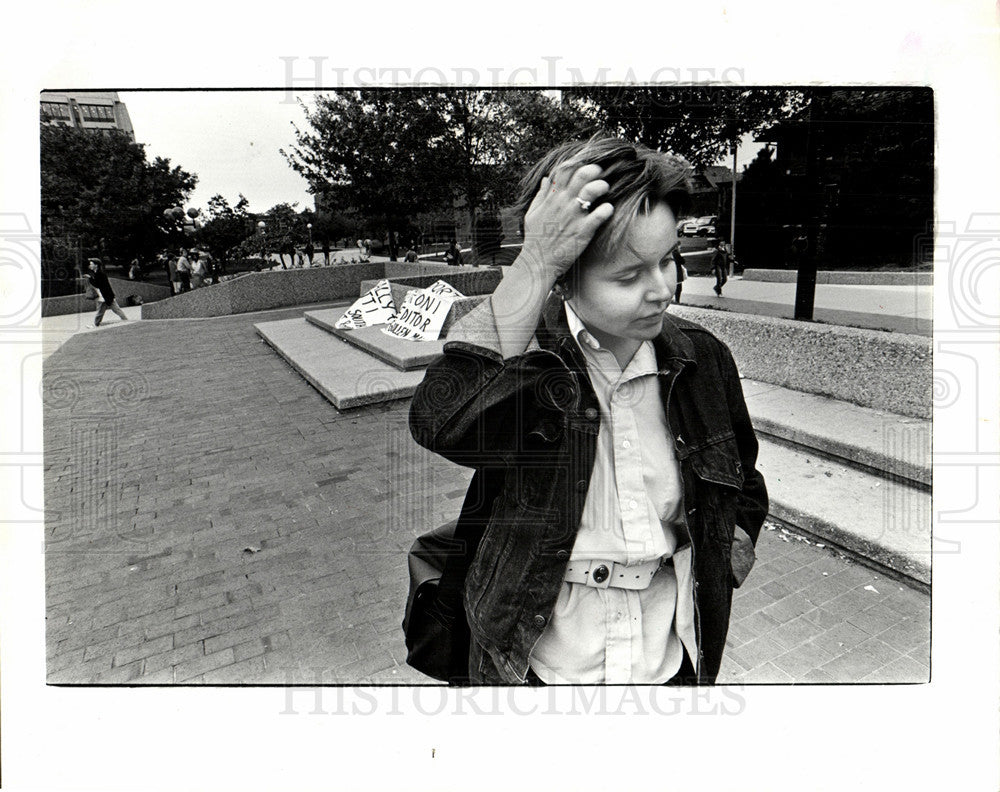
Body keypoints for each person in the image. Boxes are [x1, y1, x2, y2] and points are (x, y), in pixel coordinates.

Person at [409, 136, 768, 686]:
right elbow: (442, 419)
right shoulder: (528, 365)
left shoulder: (703, 360)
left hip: (670, 659)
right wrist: (536, 259)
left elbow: (744, 479)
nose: (663, 290)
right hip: (537, 664)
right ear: (566, 276)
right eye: (628, 276)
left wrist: (727, 558)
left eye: (668, 260)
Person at [85, 258, 129, 326]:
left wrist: (90, 278)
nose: (90, 265)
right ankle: (96, 324)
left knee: (113, 310)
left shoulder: (100, 274)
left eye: (91, 264)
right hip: (105, 297)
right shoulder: (98, 273)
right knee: (104, 312)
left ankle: (127, 321)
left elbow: (97, 285)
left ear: (96, 265)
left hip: (106, 297)